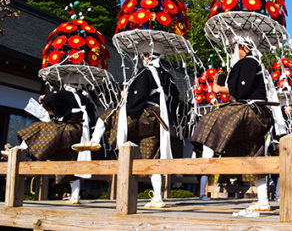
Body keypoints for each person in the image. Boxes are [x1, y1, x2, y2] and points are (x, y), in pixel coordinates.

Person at [192, 36, 273, 212]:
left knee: (211, 119)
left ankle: (208, 154)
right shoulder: (255, 63)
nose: (233, 50)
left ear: (242, 46)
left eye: (234, 46)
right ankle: (264, 200)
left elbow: (242, 90)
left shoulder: (249, 62)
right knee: (254, 154)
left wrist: (220, 89)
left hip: (252, 112)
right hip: (259, 115)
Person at [101, 43, 179, 208]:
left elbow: (137, 98)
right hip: (160, 120)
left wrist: (126, 98)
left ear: (146, 56)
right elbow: (175, 98)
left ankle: (100, 141)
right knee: (152, 157)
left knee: (108, 116)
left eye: (143, 55)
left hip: (144, 117)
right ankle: (157, 197)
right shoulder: (168, 75)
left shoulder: (144, 73)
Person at [16, 80, 96, 204]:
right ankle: (75, 196)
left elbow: (52, 96)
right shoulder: (87, 100)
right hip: (80, 134)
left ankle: (22, 148)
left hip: (71, 130)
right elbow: (92, 122)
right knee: (71, 161)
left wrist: (44, 97)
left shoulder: (68, 94)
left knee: (40, 127)